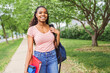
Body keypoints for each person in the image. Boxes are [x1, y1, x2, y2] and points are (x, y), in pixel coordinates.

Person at [24, 6, 60, 73]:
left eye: (45, 13)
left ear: (47, 15)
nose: (43, 14)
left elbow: (56, 46)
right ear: (36, 15)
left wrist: (58, 34)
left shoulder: (51, 27)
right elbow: (29, 50)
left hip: (52, 57)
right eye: (40, 13)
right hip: (39, 58)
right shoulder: (31, 29)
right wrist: (26, 67)